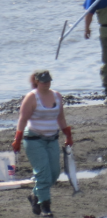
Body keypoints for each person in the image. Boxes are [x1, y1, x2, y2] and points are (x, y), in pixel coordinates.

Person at [12, 71, 72, 217]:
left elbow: (61, 118)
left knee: (54, 173)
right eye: (43, 81)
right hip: (34, 140)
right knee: (43, 174)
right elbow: (23, 120)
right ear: (37, 81)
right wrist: (17, 140)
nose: (46, 83)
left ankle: (34, 196)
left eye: (48, 80)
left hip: (52, 139)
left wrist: (68, 136)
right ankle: (46, 207)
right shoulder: (31, 97)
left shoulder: (57, 96)